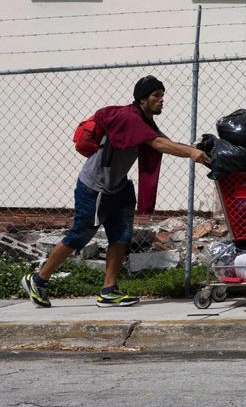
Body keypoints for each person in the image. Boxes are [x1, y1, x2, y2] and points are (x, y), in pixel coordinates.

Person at [20, 76, 211, 308]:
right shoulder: (129, 118)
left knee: (121, 238)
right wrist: (190, 154)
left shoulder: (144, 119)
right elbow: (157, 144)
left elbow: (160, 139)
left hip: (118, 187)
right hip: (95, 187)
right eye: (156, 96)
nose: (162, 100)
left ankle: (108, 291)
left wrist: (193, 149)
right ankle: (38, 279)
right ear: (142, 99)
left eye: (162, 95)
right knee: (80, 235)